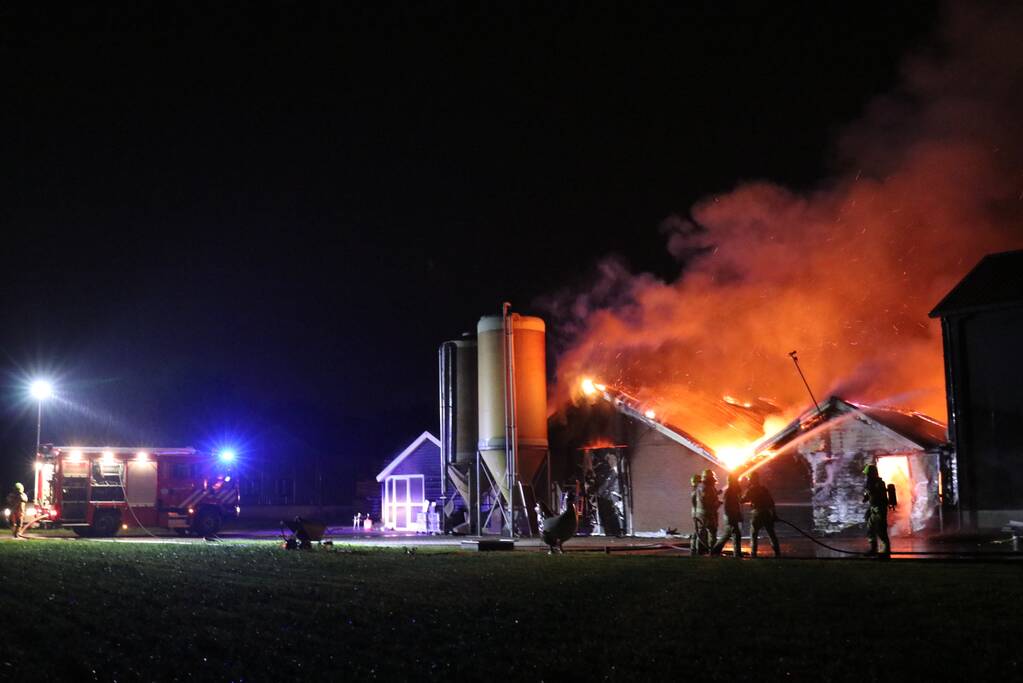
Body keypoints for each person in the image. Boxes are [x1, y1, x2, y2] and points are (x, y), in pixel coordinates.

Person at [742, 471, 780, 557]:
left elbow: (743, 500)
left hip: (757, 513)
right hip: (767, 513)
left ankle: (753, 553)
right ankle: (777, 553)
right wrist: (774, 514)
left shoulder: (751, 490)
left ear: (751, 480)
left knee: (754, 534)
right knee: (771, 534)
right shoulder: (763, 489)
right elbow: (771, 502)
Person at [711, 472, 743, 558]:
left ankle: (715, 551)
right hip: (730, 517)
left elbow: (736, 504)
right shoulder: (730, 492)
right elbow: (727, 506)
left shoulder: (732, 491)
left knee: (726, 535)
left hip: (731, 517)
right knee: (736, 535)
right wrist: (730, 517)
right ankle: (737, 554)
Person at [863, 464, 891, 558]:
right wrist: (866, 497)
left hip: (879, 509)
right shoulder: (870, 483)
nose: (866, 476)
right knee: (870, 529)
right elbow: (868, 494)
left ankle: (885, 552)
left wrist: (871, 494)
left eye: (868, 474)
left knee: (881, 530)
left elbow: (880, 496)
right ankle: (873, 549)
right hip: (873, 508)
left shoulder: (879, 483)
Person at [699, 469, 721, 551]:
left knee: (702, 532)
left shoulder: (701, 487)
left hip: (701, 514)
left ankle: (700, 550)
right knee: (712, 532)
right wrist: (718, 503)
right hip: (709, 513)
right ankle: (712, 551)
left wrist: (716, 494)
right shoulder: (709, 488)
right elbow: (710, 502)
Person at [689, 473, 704, 554]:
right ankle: (698, 550)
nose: (701, 483)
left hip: (695, 513)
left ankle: (693, 548)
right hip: (697, 513)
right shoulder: (696, 492)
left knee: (697, 531)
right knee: (699, 531)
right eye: (700, 481)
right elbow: (697, 503)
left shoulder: (695, 491)